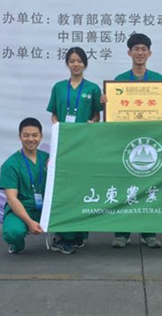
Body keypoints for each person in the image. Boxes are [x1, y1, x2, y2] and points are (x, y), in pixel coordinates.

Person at [103, 32, 162, 249]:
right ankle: (121, 233)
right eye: (136, 49)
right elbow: (112, 113)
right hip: (125, 141)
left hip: (151, 141)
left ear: (149, 53)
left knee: (150, 187)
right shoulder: (119, 80)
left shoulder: (158, 80)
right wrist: (106, 102)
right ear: (129, 53)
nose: (140, 53)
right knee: (124, 185)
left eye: (144, 49)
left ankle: (148, 233)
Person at [46, 47, 102, 251]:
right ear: (67, 64)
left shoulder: (93, 88)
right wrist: (56, 125)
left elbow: (97, 115)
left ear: (85, 64)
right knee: (65, 186)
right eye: (72, 61)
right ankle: (65, 233)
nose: (76, 64)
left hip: (84, 144)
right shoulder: (59, 87)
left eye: (79, 61)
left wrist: (92, 122)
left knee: (82, 186)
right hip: (64, 144)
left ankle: (80, 233)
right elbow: (54, 113)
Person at [0, 117, 76, 254]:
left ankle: (61, 240)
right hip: (24, 208)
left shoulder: (49, 159)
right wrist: (29, 222)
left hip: (48, 208)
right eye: (26, 135)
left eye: (35, 135)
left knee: (74, 228)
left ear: (41, 136)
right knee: (13, 232)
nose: (30, 139)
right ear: (20, 136)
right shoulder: (10, 165)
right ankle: (17, 245)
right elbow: (12, 199)